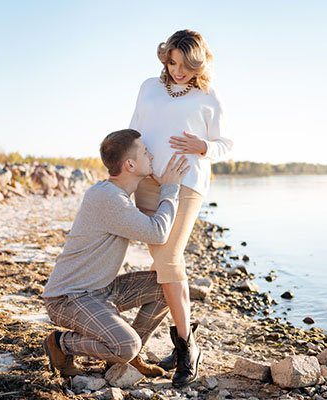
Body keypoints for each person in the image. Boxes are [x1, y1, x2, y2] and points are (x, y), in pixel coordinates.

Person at [129, 29, 233, 387]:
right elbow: (134, 131)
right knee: (167, 263)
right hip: (148, 182)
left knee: (169, 257)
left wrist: (203, 145)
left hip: (187, 183)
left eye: (187, 66)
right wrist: (126, 178)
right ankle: (185, 341)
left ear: (198, 65)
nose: (178, 71)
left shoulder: (208, 96)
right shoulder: (148, 87)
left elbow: (226, 144)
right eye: (173, 62)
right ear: (165, 56)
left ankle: (186, 347)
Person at [42, 129, 189, 378]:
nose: (151, 154)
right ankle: (60, 343)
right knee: (125, 345)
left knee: (166, 286)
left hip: (102, 290)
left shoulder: (117, 196)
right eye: (145, 151)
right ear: (130, 164)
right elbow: (157, 233)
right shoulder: (108, 198)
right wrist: (170, 189)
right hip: (69, 298)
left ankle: (126, 359)